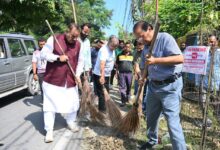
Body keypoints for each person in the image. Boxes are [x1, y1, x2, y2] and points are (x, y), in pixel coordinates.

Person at [133, 21, 186, 150]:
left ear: (150, 29)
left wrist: (156, 60)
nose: (140, 39)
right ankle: (152, 140)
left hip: (170, 87)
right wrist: (143, 78)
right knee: (151, 117)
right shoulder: (146, 46)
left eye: (141, 35)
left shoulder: (165, 38)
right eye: (137, 37)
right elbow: (146, 67)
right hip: (153, 87)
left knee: (172, 123)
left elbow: (180, 58)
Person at [40, 23, 83, 143]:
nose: (74, 39)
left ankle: (70, 122)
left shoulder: (78, 45)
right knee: (50, 106)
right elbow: (43, 55)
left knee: (73, 103)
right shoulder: (54, 39)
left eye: (76, 37)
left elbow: (80, 61)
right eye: (72, 36)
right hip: (53, 80)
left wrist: (78, 75)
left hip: (70, 79)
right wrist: (58, 57)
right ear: (67, 31)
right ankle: (49, 131)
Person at [196, 35, 220, 123]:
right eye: (210, 41)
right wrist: (197, 81)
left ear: (217, 42)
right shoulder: (203, 53)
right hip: (204, 82)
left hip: (216, 84)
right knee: (202, 101)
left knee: (216, 103)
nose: (212, 43)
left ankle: (217, 118)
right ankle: (207, 120)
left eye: (213, 41)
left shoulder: (219, 53)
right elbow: (198, 66)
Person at [93, 35, 119, 112]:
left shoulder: (112, 49)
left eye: (115, 47)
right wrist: (102, 76)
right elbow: (102, 64)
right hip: (99, 74)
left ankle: (104, 107)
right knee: (102, 93)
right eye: (112, 46)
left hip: (107, 74)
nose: (114, 48)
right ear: (109, 43)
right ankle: (102, 110)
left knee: (106, 91)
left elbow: (112, 61)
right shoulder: (104, 50)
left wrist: (116, 71)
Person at [116, 42, 133, 107]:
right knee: (122, 87)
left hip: (129, 73)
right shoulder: (119, 55)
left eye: (128, 47)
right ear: (124, 47)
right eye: (126, 47)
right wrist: (116, 72)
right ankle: (123, 101)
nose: (127, 48)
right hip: (121, 73)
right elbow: (117, 64)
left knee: (129, 86)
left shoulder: (132, 55)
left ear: (130, 48)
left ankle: (127, 99)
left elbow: (134, 64)